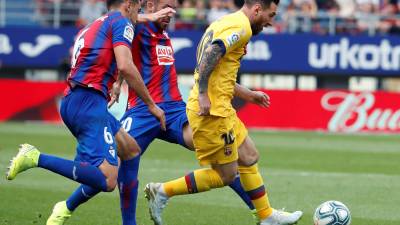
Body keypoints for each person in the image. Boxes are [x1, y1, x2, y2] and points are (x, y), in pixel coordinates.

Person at [46, 1, 259, 224]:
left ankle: (260, 211)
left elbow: (128, 59)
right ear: (149, 5)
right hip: (142, 112)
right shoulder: (136, 26)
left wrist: (118, 83)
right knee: (114, 170)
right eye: (166, 6)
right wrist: (119, 82)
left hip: (175, 111)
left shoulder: (164, 36)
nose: (171, 12)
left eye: (174, 8)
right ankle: (66, 206)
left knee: (219, 151)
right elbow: (123, 52)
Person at [6, 0, 169, 224]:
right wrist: (152, 105)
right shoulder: (122, 23)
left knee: (131, 151)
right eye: (139, 7)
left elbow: (104, 58)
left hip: (80, 99)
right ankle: (35, 158)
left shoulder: (95, 24)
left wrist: (148, 17)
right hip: (88, 103)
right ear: (129, 4)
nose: (139, 12)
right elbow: (125, 65)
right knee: (107, 179)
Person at [144, 0, 304, 225]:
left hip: (222, 108)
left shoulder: (225, 22)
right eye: (271, 15)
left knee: (249, 156)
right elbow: (212, 52)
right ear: (257, 9)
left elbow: (220, 70)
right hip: (212, 114)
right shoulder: (242, 27)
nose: (271, 21)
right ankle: (162, 191)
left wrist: (248, 94)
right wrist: (202, 94)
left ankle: (267, 216)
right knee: (226, 175)